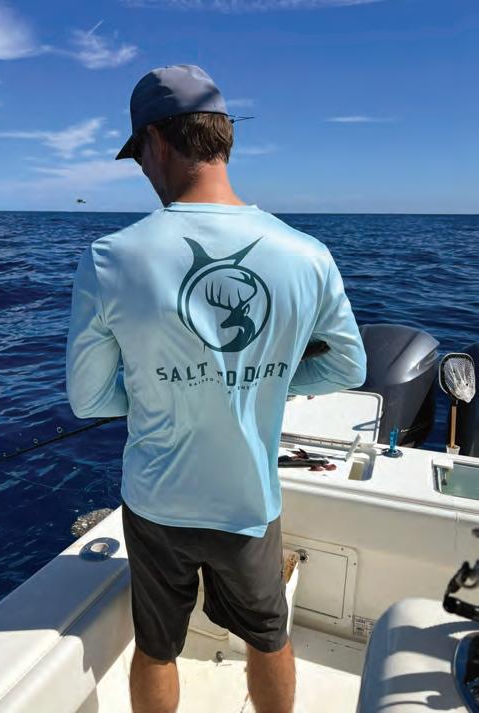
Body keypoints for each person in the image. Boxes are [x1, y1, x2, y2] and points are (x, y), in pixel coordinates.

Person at [66, 63, 367, 713]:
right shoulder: (307, 253)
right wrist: (264, 383)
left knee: (157, 649)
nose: (142, 170)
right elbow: (348, 368)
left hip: (157, 505)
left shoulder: (109, 258)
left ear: (157, 141)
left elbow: (88, 400)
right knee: (269, 638)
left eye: (137, 155)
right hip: (249, 502)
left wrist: (159, 392)